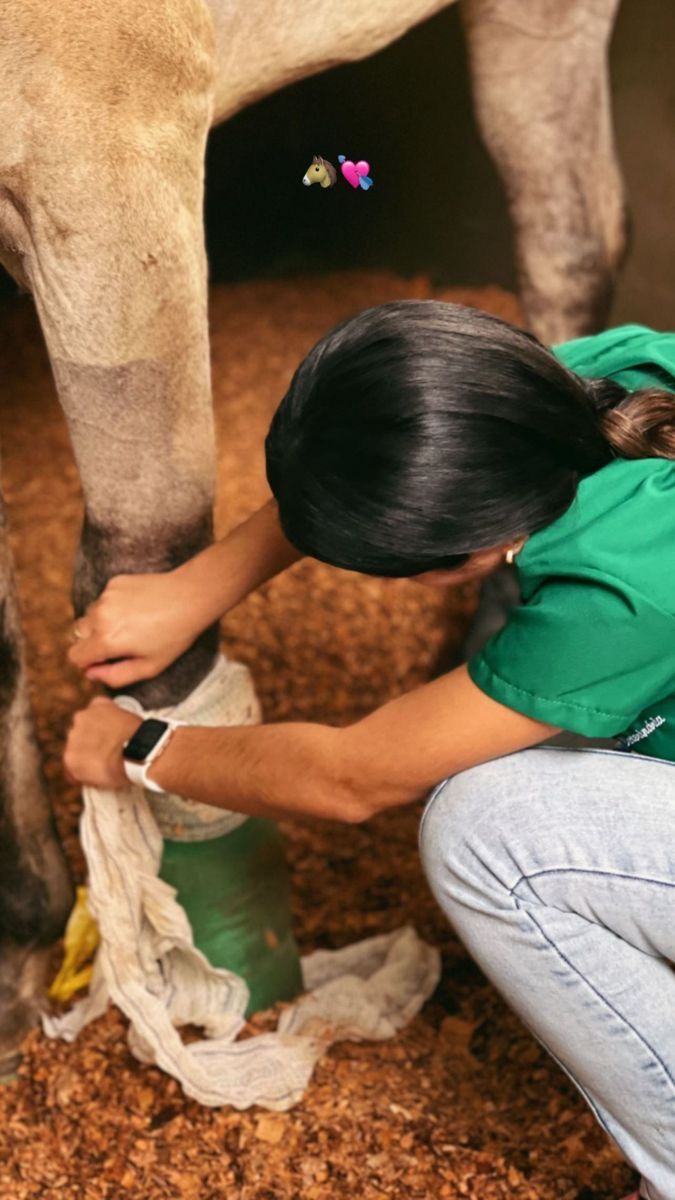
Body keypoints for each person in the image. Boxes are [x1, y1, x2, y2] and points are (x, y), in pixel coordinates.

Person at [64, 301, 675, 1200]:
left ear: (456, 555)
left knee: (486, 834)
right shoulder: (608, 379)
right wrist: (195, 589)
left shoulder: (621, 591)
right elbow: (405, 443)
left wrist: (140, 745)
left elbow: (351, 776)